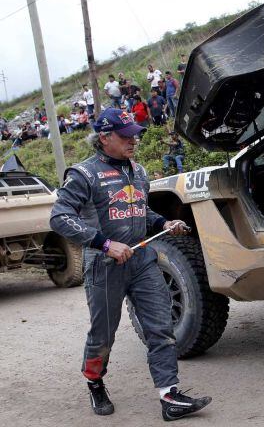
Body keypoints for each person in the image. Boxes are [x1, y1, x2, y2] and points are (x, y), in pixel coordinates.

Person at [49, 108, 211, 421]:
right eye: (125, 136)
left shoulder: (138, 171)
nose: (133, 140)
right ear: (104, 137)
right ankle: (95, 382)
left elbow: (140, 212)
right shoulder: (83, 174)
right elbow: (59, 218)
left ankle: (169, 396)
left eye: (135, 134)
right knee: (103, 335)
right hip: (103, 264)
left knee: (161, 327)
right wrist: (105, 244)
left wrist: (164, 222)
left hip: (142, 260)